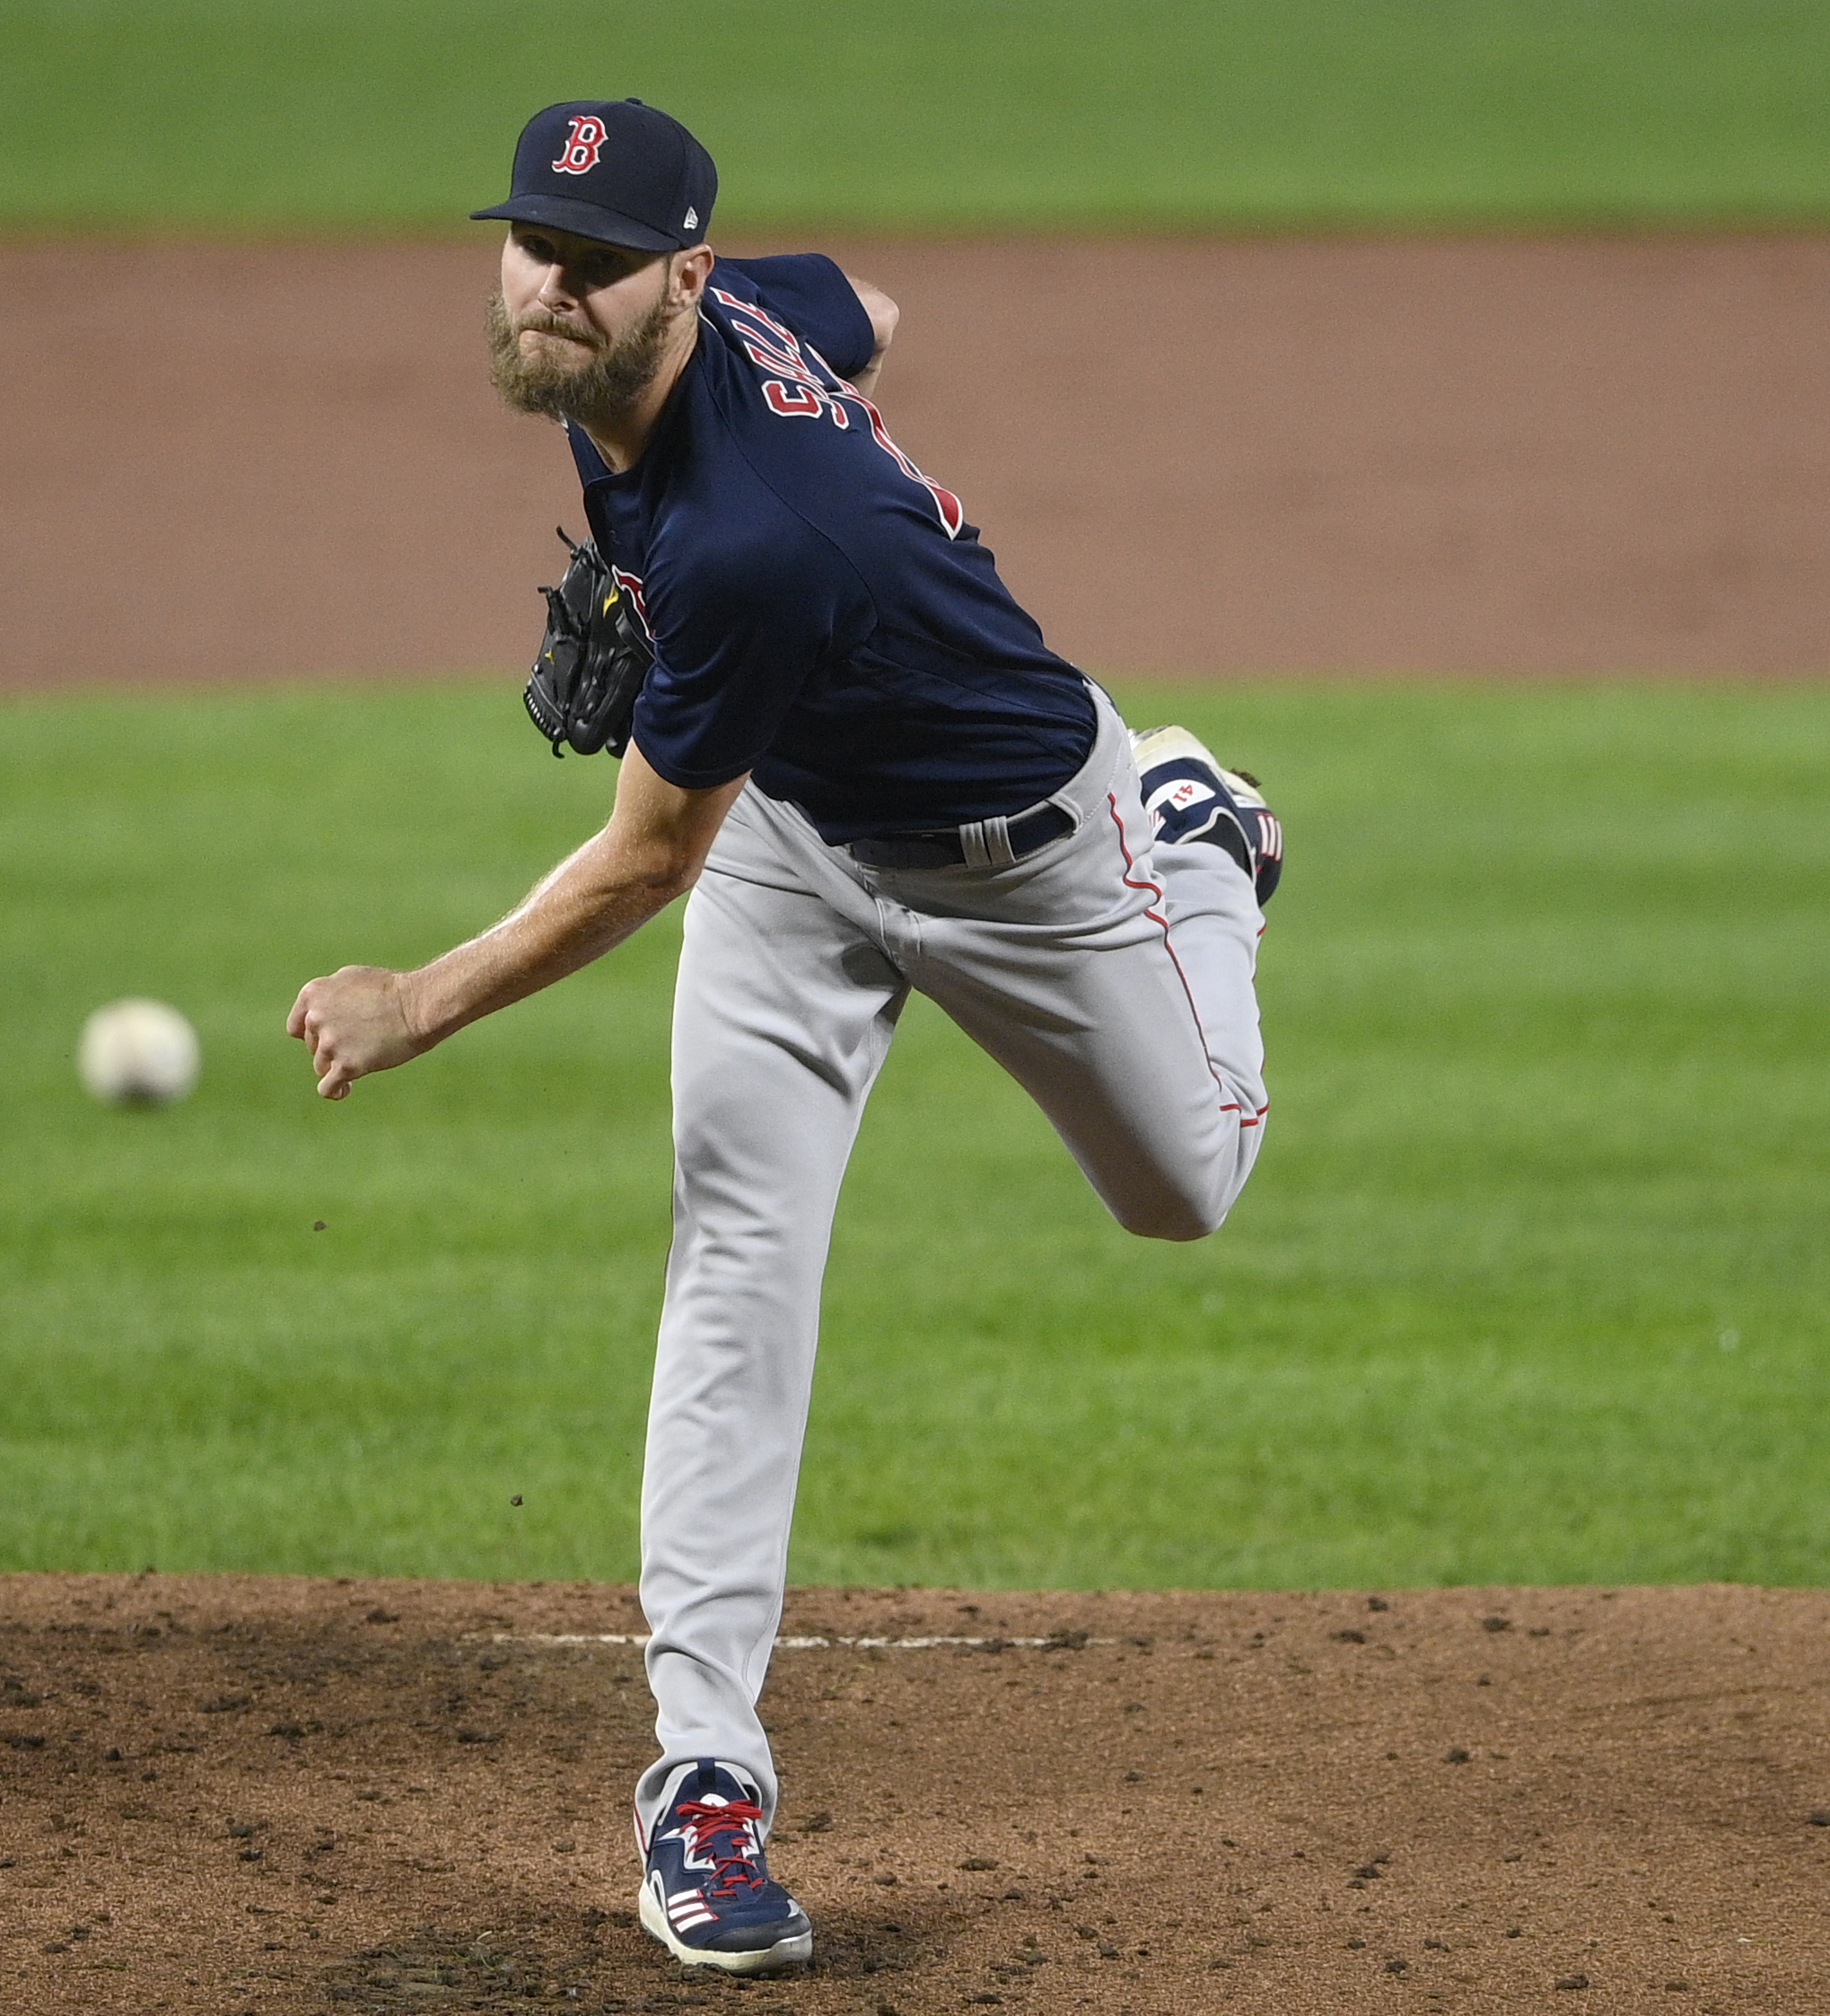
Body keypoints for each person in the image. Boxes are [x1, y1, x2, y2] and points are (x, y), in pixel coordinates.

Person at [289, 98, 1282, 1975]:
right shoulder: (717, 322)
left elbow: (640, 859)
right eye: (529, 246)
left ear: (678, 270)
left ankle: (1204, 831)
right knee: (736, 1248)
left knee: (1187, 1187)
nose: (548, 287)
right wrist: (846, 421)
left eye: (593, 261)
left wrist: (413, 1000)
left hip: (1033, 864)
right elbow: (867, 309)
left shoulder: (750, 536)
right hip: (797, 848)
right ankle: (702, 1775)